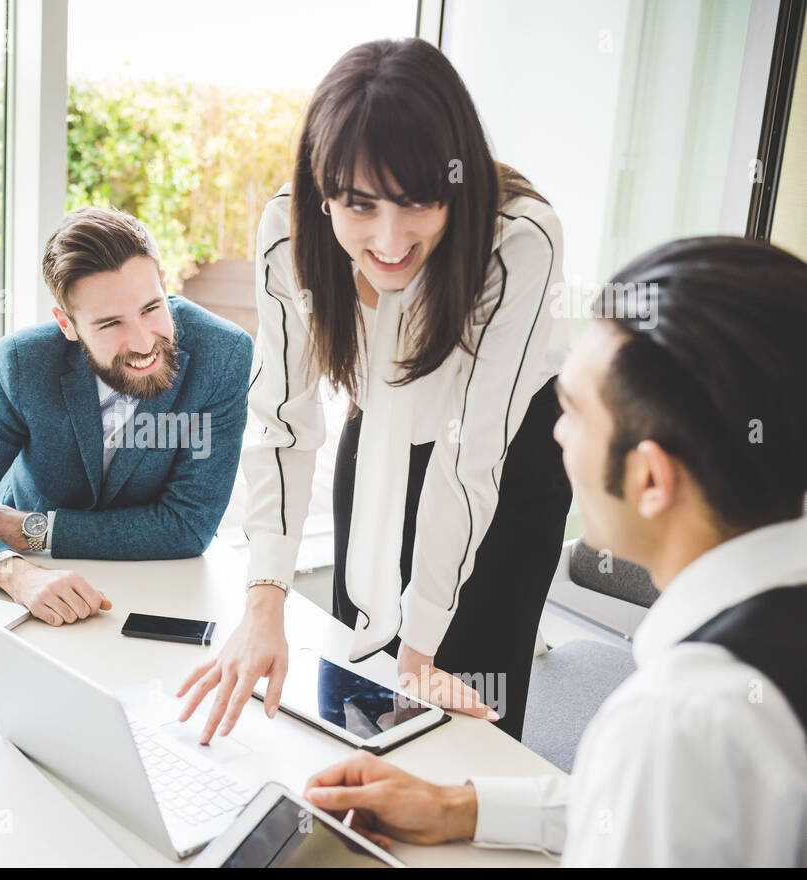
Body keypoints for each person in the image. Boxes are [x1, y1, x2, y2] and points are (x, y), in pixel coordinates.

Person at [300, 236, 807, 866]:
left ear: (651, 479)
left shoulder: (678, 724)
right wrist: (458, 807)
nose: (555, 435)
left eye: (573, 411)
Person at [179, 38, 572, 743]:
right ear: (322, 186)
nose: (389, 239)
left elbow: (468, 458)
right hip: (382, 424)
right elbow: (283, 425)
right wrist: (263, 602)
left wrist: (420, 653)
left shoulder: (519, 241)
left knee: (459, 707)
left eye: (418, 200)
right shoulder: (289, 232)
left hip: (508, 454)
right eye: (359, 204)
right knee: (354, 692)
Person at [0, 207, 254, 626]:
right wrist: (15, 573)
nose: (144, 342)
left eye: (151, 308)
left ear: (164, 285)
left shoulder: (224, 354)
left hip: (161, 587)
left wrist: (34, 529)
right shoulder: (22, 363)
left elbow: (188, 525)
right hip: (28, 588)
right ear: (67, 324)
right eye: (110, 323)